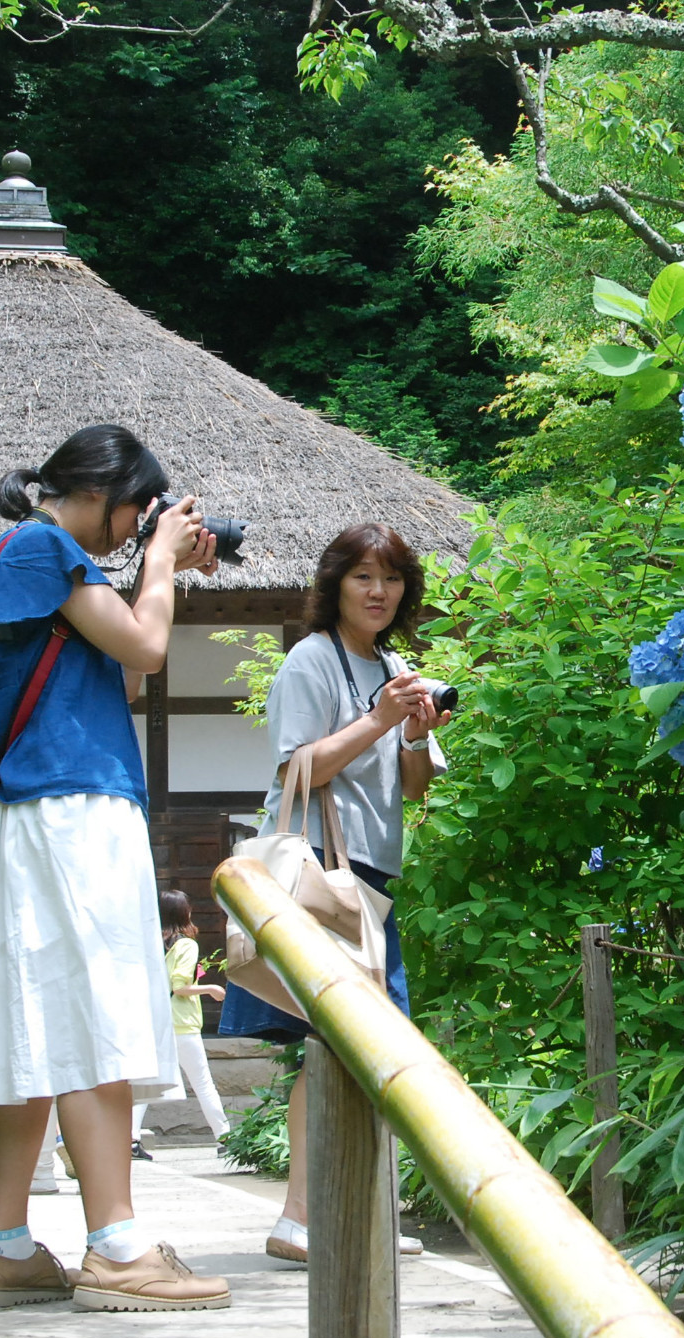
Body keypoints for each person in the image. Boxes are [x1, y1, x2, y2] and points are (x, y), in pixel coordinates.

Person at [0, 423, 233, 1313]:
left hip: (50, 810)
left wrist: (160, 573)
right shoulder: (39, 546)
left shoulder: (40, 562)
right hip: (71, 807)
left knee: (36, 1021)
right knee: (95, 1007)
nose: (137, 528)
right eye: (138, 509)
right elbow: (148, 650)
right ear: (106, 491)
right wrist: (156, 565)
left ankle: (8, 1249)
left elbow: (128, 671)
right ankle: (115, 1243)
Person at [216, 522, 449, 1262]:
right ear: (335, 585)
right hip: (320, 870)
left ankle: (349, 1213)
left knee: (361, 1050)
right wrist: (378, 717)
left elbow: (413, 787)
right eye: (363, 577)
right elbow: (295, 771)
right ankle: (303, 1217)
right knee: (333, 1045)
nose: (380, 592)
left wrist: (412, 731)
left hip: (370, 876)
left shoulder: (393, 663)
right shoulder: (312, 662)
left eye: (392, 579)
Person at [128, 891, 249, 1170]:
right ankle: (225, 1137)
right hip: (182, 1024)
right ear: (185, 913)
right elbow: (180, 986)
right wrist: (211, 988)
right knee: (203, 1083)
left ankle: (132, 1140)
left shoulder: (151, 943)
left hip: (156, 1021)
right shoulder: (186, 946)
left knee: (146, 1084)